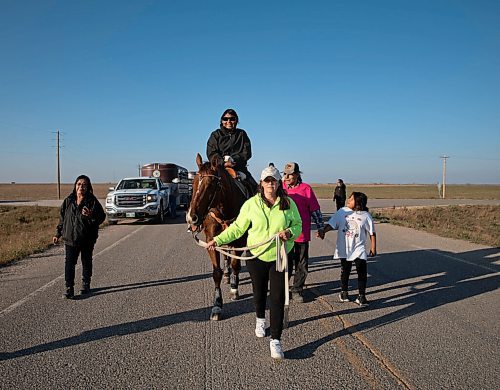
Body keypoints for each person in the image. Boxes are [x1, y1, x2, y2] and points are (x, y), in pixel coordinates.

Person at [206, 165, 302, 360]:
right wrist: (218, 240)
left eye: (274, 180)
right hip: (256, 256)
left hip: (279, 256)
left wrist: (289, 233)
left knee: (277, 298)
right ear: (261, 183)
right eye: (267, 180)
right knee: (259, 293)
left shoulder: (288, 203)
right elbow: (238, 228)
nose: (270, 184)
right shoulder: (251, 204)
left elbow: (298, 225)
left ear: (279, 183)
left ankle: (276, 339)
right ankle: (260, 318)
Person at [53, 175, 106, 299]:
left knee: (86, 261)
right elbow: (62, 218)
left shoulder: (91, 201)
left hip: (87, 238)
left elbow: (101, 217)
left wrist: (91, 214)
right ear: (75, 186)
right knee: (69, 263)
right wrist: (57, 233)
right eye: (79, 184)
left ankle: (85, 284)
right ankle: (69, 288)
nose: (81, 187)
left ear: (88, 187)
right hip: (70, 238)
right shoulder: (69, 200)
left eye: (84, 185)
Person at [320, 191, 376, 306]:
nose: (348, 201)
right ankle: (344, 292)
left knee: (362, 272)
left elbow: (372, 232)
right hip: (344, 248)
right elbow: (332, 224)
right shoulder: (342, 212)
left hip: (359, 249)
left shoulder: (366, 216)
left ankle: (362, 296)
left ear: (358, 203)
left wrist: (373, 247)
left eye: (351, 199)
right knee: (345, 271)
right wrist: (323, 231)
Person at [282, 162, 324, 303]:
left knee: (301, 263)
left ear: (298, 174)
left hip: (301, 234)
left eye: (290, 174)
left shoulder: (306, 188)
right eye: (285, 174)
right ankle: (282, 288)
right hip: (284, 234)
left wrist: (320, 227)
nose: (287, 177)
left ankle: (297, 290)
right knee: (284, 263)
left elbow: (315, 210)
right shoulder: (280, 188)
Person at [206, 108, 258, 193]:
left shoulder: (242, 134)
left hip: (239, 168)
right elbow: (212, 152)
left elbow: (247, 153)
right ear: (222, 121)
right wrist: (223, 163)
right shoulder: (215, 135)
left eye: (232, 119)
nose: (228, 121)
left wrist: (234, 160)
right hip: (219, 169)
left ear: (236, 120)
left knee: (256, 190)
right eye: (225, 119)